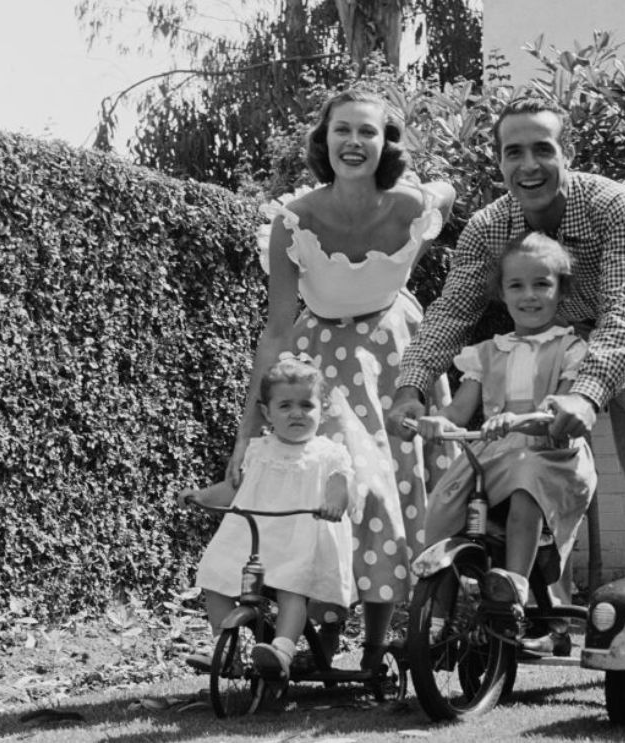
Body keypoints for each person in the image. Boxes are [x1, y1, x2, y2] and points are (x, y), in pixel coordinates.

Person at [388, 94, 625, 576]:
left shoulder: (616, 205)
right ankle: (536, 599)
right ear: (499, 161)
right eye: (514, 152)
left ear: (566, 153)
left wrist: (586, 396)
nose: (528, 165)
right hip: (552, 342)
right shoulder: (488, 227)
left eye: (542, 149)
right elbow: (451, 312)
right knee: (533, 466)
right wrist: (411, 388)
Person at [231, 89, 457, 671]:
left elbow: (447, 195)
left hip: (393, 354)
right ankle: (317, 645)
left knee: (391, 488)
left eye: (367, 132)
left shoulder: (412, 206)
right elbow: (278, 329)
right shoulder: (293, 220)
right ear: (323, 140)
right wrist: (245, 435)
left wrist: (438, 192)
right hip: (321, 360)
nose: (353, 143)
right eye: (342, 131)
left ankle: (378, 649)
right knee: (333, 485)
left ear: (386, 144)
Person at [413, 231, 598, 654]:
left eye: (541, 284)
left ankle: (513, 584)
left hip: (552, 454)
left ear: (560, 290)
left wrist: (526, 419)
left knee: (525, 478)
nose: (528, 295)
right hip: (495, 454)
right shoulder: (486, 352)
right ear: (502, 292)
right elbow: (457, 414)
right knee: (444, 500)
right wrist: (430, 422)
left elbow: (563, 413)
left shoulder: (571, 348)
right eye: (516, 285)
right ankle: (433, 617)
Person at [180, 354, 359, 677]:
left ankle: (281, 652)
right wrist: (202, 496)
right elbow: (235, 489)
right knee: (216, 576)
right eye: (286, 406)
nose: (297, 413)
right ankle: (226, 649)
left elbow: (340, 485)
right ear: (267, 413)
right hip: (255, 538)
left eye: (307, 406)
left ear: (323, 410)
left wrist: (334, 503)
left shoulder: (328, 454)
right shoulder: (259, 450)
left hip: (300, 540)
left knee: (293, 588)